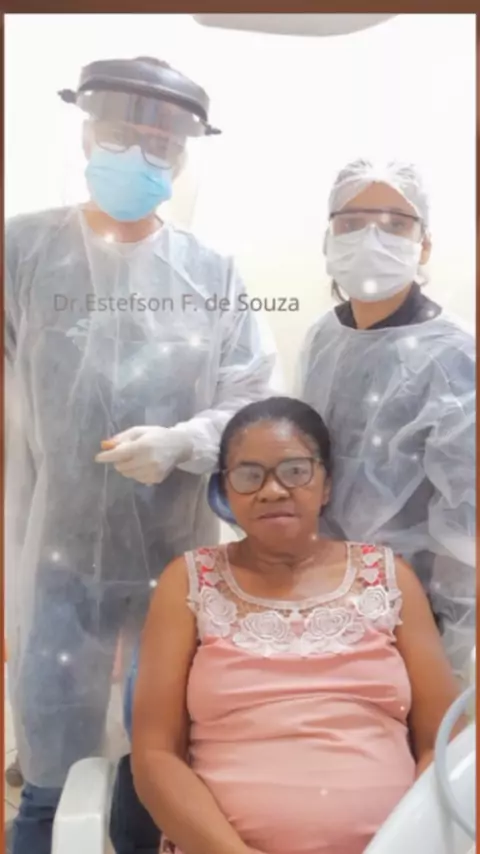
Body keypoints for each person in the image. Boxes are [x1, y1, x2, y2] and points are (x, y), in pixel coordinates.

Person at [5, 56, 278, 854]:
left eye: (159, 143)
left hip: (171, 560)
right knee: (51, 751)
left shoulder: (210, 272)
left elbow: (250, 398)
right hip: (50, 554)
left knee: (152, 752)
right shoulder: (23, 251)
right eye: (122, 132)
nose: (139, 153)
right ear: (87, 132)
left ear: (184, 157)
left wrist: (184, 441)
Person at [131, 396, 464, 854]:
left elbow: (444, 741)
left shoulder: (388, 577)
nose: (272, 491)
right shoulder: (188, 582)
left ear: (326, 484)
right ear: (225, 490)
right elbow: (155, 755)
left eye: (294, 470)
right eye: (249, 475)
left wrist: (410, 842)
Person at [298, 159, 475, 681]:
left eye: (395, 224)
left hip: (415, 611)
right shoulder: (323, 337)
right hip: (321, 589)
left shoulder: (453, 356)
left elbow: (466, 522)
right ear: (329, 237)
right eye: (352, 223)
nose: (371, 239)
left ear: (424, 245)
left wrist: (445, 637)